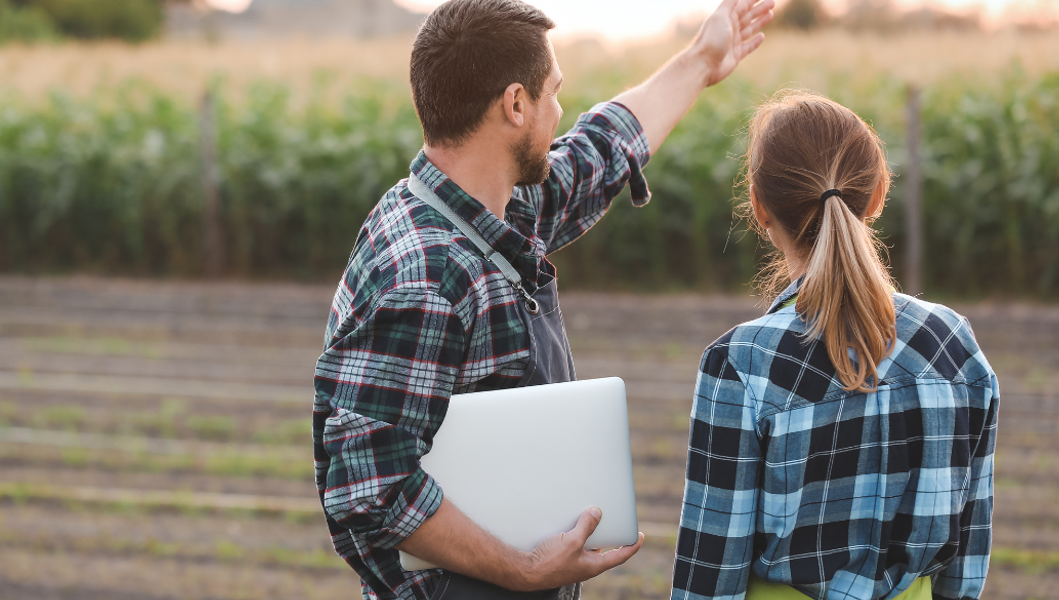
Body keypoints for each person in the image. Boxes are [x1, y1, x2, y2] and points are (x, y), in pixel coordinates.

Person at [312, 0, 773, 598]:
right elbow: (370, 489)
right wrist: (523, 570)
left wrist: (700, 60)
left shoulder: (483, 203)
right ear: (514, 104)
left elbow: (598, 154)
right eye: (553, 93)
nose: (560, 111)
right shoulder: (428, 274)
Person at [670, 92, 999, 600]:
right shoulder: (954, 346)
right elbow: (965, 563)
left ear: (759, 208)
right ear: (877, 197)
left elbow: (709, 580)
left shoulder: (742, 363)